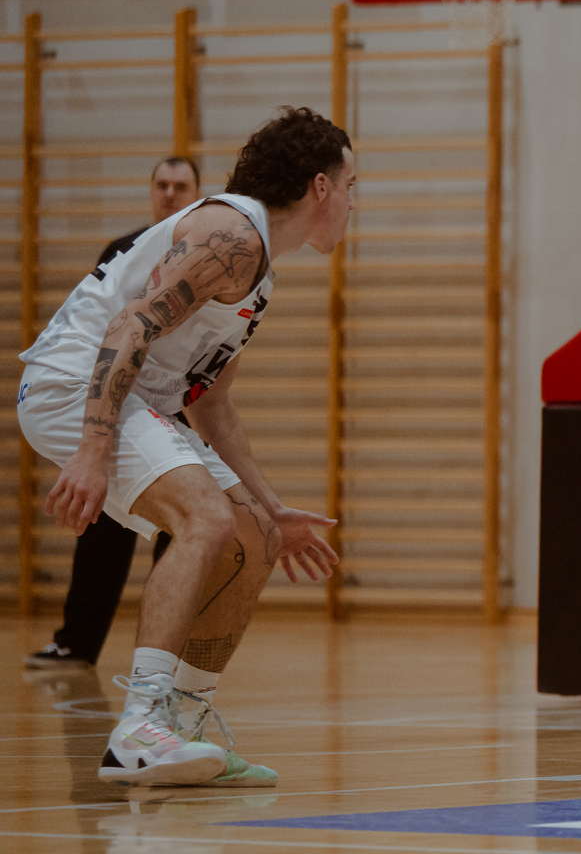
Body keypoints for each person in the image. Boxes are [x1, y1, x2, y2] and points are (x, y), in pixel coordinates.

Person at [17, 107, 352, 787]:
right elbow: (130, 325)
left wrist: (271, 506)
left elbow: (213, 403)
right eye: (351, 186)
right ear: (320, 187)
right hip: (75, 381)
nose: (353, 202)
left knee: (253, 537)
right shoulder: (232, 237)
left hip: (135, 396)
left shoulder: (258, 272)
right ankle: (140, 729)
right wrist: (92, 450)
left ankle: (185, 728)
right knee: (205, 517)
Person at [25, 157, 202, 671]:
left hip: (168, 403)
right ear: (151, 191)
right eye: (161, 184)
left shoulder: (209, 255)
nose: (169, 193)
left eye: (180, 186)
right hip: (115, 398)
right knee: (101, 520)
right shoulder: (124, 250)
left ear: (197, 194)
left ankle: (168, 651)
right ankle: (77, 643)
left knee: (190, 522)